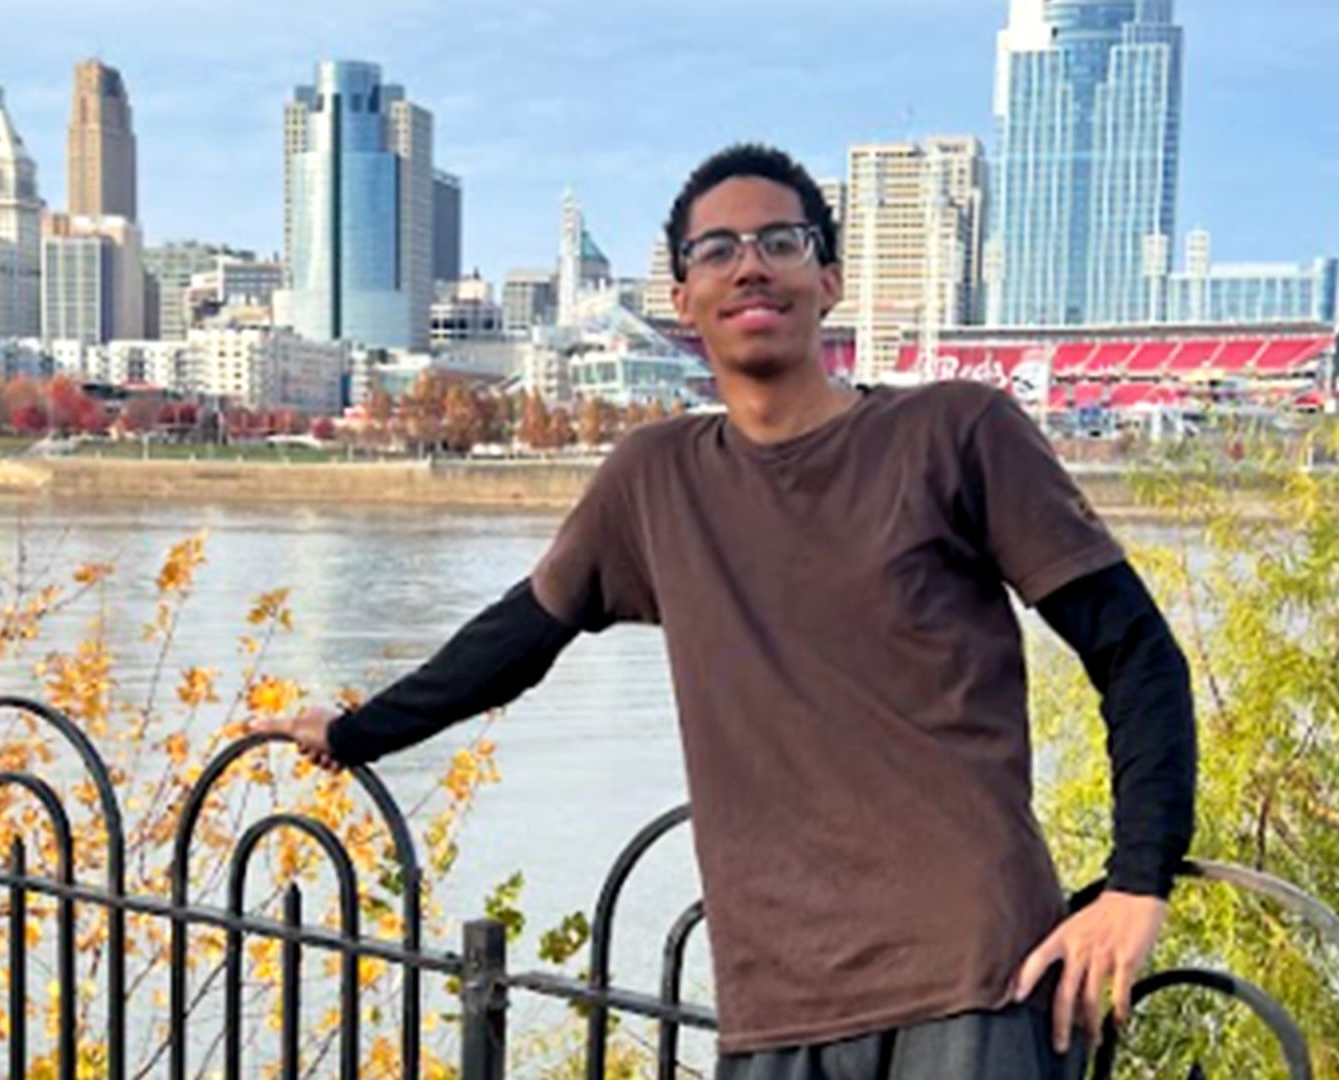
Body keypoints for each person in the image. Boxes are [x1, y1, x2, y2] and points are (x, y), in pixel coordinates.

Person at [250, 143, 1197, 1080]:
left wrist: (1136, 880)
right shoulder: (654, 480)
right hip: (771, 995)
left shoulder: (952, 433)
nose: (750, 263)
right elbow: (516, 639)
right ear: (682, 300)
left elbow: (1137, 653)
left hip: (973, 978)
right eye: (717, 249)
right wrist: (356, 730)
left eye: (781, 242)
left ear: (828, 280)